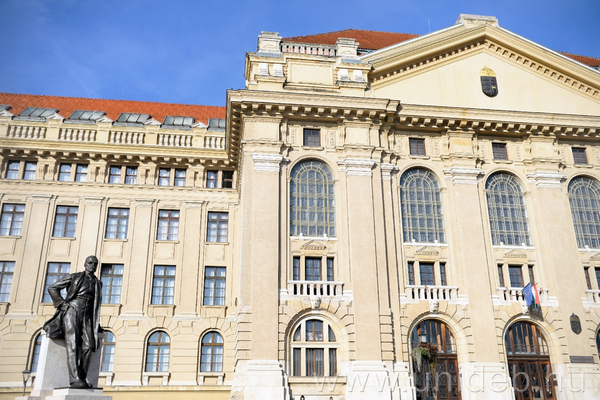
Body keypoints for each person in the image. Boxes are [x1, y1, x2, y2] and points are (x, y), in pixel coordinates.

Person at [43, 255, 103, 388]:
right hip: (72, 311)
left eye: (95, 264)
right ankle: (75, 379)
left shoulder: (98, 283)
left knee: (89, 345)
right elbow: (52, 288)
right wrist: (61, 303)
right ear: (85, 264)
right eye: (90, 263)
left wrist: (96, 323)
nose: (92, 265)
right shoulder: (74, 277)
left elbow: (95, 305)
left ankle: (82, 377)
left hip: (87, 316)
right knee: (73, 344)